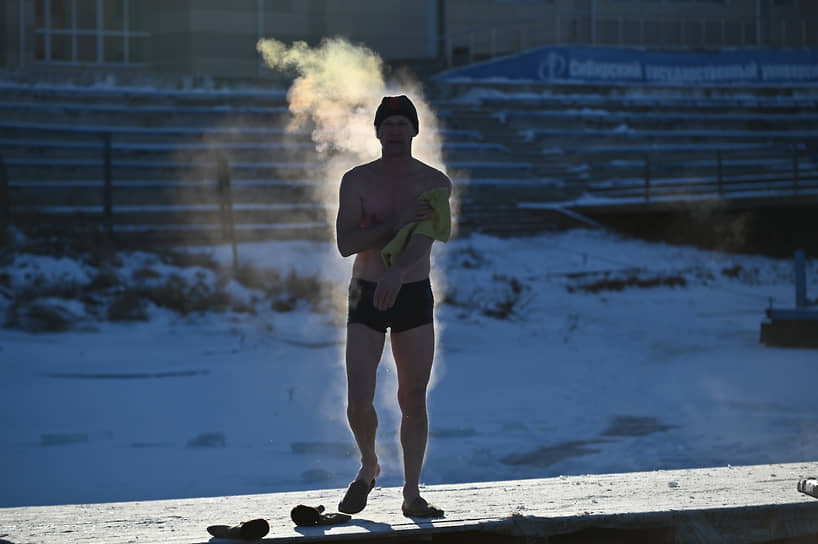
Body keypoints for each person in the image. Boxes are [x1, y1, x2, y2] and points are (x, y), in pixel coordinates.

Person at [335, 95, 451, 518]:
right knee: (358, 398)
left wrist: (397, 272)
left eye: (404, 123)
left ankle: (412, 492)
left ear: (415, 131)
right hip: (365, 294)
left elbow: (425, 236)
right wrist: (394, 220)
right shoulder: (356, 180)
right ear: (378, 131)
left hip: (411, 293)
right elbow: (346, 243)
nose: (396, 131)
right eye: (389, 124)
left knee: (412, 398)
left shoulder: (435, 183)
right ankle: (369, 465)